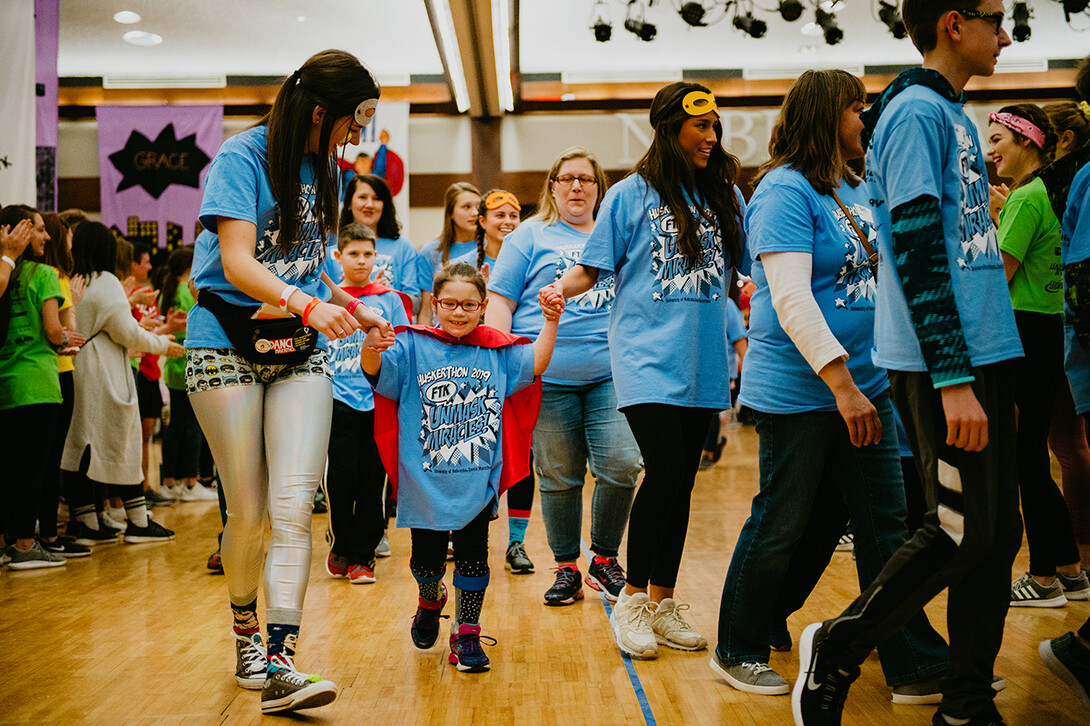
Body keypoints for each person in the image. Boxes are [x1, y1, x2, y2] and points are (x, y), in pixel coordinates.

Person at [790, 3, 1022, 725]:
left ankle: (965, 700)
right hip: (944, 363)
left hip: (984, 350)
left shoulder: (946, 114)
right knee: (957, 527)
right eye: (996, 18)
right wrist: (953, 378)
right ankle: (840, 643)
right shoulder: (917, 114)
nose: (1006, 34)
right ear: (954, 23)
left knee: (996, 533)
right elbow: (919, 251)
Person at [710, 69, 950, 703]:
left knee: (885, 527)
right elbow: (789, 299)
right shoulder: (783, 191)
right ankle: (737, 647)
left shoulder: (858, 182)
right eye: (855, 107)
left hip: (870, 388)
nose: (865, 119)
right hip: (805, 391)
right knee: (781, 520)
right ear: (824, 116)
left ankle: (911, 660)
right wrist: (841, 384)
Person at [185, 49, 389, 715]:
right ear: (323, 111)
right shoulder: (242, 158)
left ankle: (281, 662)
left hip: (299, 352)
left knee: (294, 505)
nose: (359, 134)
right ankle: (244, 634)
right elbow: (239, 261)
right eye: (355, 119)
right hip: (226, 344)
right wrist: (307, 304)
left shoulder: (325, 166)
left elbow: (306, 254)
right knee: (247, 512)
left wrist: (344, 300)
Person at [541, 82, 744, 659]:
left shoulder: (725, 195)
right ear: (669, 127)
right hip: (643, 356)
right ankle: (630, 600)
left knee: (681, 482)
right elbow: (593, 268)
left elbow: (751, 269)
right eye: (700, 126)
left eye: (714, 128)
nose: (710, 137)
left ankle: (663, 601)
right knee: (668, 465)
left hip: (704, 361)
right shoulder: (629, 195)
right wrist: (560, 291)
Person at [362, 262, 559, 672]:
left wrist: (551, 321)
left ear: (483, 306)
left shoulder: (496, 350)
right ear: (435, 303)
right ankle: (430, 600)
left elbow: (535, 365)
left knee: (474, 558)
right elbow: (376, 372)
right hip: (424, 481)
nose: (458, 312)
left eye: (469, 304)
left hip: (475, 479)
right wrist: (370, 343)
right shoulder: (413, 345)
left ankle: (467, 633)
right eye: (449, 303)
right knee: (426, 563)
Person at [489, 147, 642, 601]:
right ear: (552, 186)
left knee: (621, 466)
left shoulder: (618, 235)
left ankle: (605, 559)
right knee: (559, 475)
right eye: (567, 178)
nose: (577, 186)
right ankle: (566, 569)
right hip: (546, 377)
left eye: (587, 179)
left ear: (600, 188)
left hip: (612, 373)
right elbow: (501, 301)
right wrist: (501, 365)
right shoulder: (528, 236)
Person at [986, 105, 1090, 606]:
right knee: (1038, 456)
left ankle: (1044, 576)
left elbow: (999, 273)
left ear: (1028, 140)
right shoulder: (1045, 192)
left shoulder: (1027, 197)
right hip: (1049, 328)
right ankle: (1069, 569)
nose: (990, 150)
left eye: (998, 138)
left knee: (1027, 459)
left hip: (1026, 332)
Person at [61, 222, 184, 548]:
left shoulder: (73, 280)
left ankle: (88, 521)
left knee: (82, 449)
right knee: (122, 445)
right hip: (104, 373)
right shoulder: (106, 282)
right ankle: (138, 522)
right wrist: (163, 344)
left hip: (78, 366)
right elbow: (128, 334)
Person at [1040, 54, 1090, 715]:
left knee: (1055, 451)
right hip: (1065, 344)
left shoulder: (1054, 187)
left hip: (1057, 342)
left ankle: (1066, 564)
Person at [324, 222, 410, 584]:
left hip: (377, 401)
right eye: (353, 254)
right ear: (338, 257)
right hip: (335, 399)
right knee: (340, 478)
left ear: (377, 257)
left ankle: (363, 555)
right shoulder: (327, 298)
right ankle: (340, 544)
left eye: (368, 254)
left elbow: (404, 347)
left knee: (373, 482)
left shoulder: (389, 299)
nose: (361, 261)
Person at [460, 188, 538, 573]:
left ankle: (517, 543)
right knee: (477, 451)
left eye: (514, 215)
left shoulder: (529, 256)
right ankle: (465, 532)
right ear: (482, 222)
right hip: (472, 371)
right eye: (499, 216)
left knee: (524, 454)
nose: (507, 222)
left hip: (516, 365)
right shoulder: (462, 265)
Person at [0, 205, 79, 569]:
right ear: (22, 230)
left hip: (7, 381)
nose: (47, 237)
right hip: (38, 382)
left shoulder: (8, 272)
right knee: (34, 468)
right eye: (41, 229)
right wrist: (66, 336)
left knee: (10, 466)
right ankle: (26, 544)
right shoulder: (44, 274)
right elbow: (51, 329)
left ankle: (10, 540)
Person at [159, 246, 206, 504]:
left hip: (173, 366)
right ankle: (190, 482)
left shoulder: (167, 291)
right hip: (189, 364)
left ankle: (171, 481)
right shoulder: (186, 291)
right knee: (192, 426)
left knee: (176, 425)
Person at [338, 174, 424, 309]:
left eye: (377, 199)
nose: (370, 204)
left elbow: (415, 303)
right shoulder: (331, 247)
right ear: (349, 203)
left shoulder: (403, 247)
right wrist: (365, 291)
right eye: (362, 197)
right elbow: (323, 298)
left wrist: (382, 293)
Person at [418, 182, 482, 324]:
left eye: (479, 207)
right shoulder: (431, 253)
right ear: (451, 212)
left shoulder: (490, 248)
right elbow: (426, 310)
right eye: (467, 207)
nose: (475, 213)